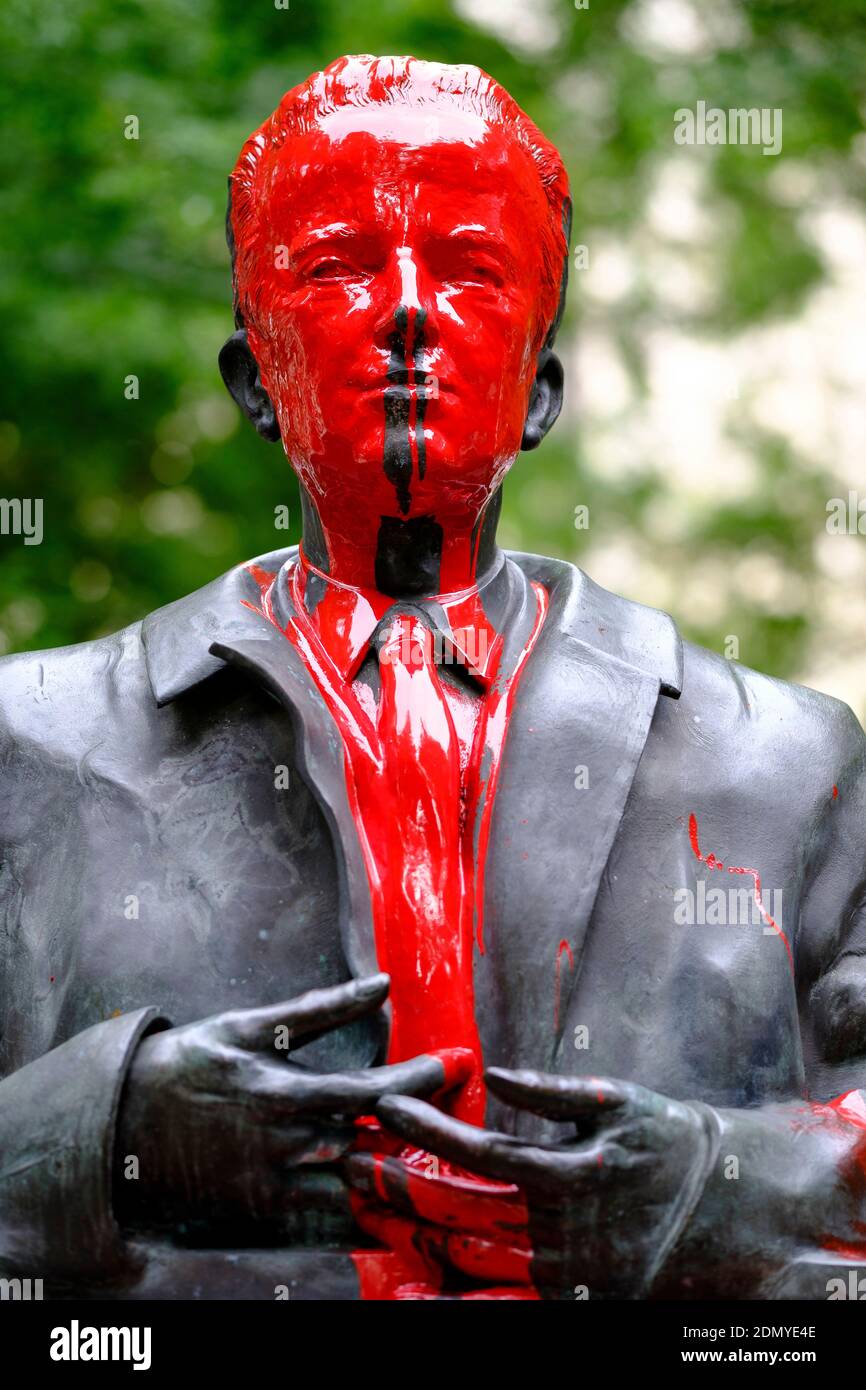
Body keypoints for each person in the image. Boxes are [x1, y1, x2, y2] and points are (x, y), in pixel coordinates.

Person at [0, 54, 864, 1300]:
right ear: (254, 382)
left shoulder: (782, 768)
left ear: (540, 391)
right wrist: (108, 1138)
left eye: (469, 270)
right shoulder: (34, 748)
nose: (407, 310)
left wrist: (711, 1185)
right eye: (340, 266)